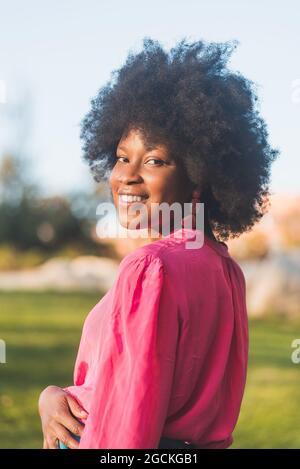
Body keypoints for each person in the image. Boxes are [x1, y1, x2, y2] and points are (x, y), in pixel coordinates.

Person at [38, 37, 279, 449]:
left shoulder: (151, 267)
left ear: (199, 177)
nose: (126, 176)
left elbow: (127, 433)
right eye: (120, 156)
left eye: (154, 160)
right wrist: (54, 398)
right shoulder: (226, 271)